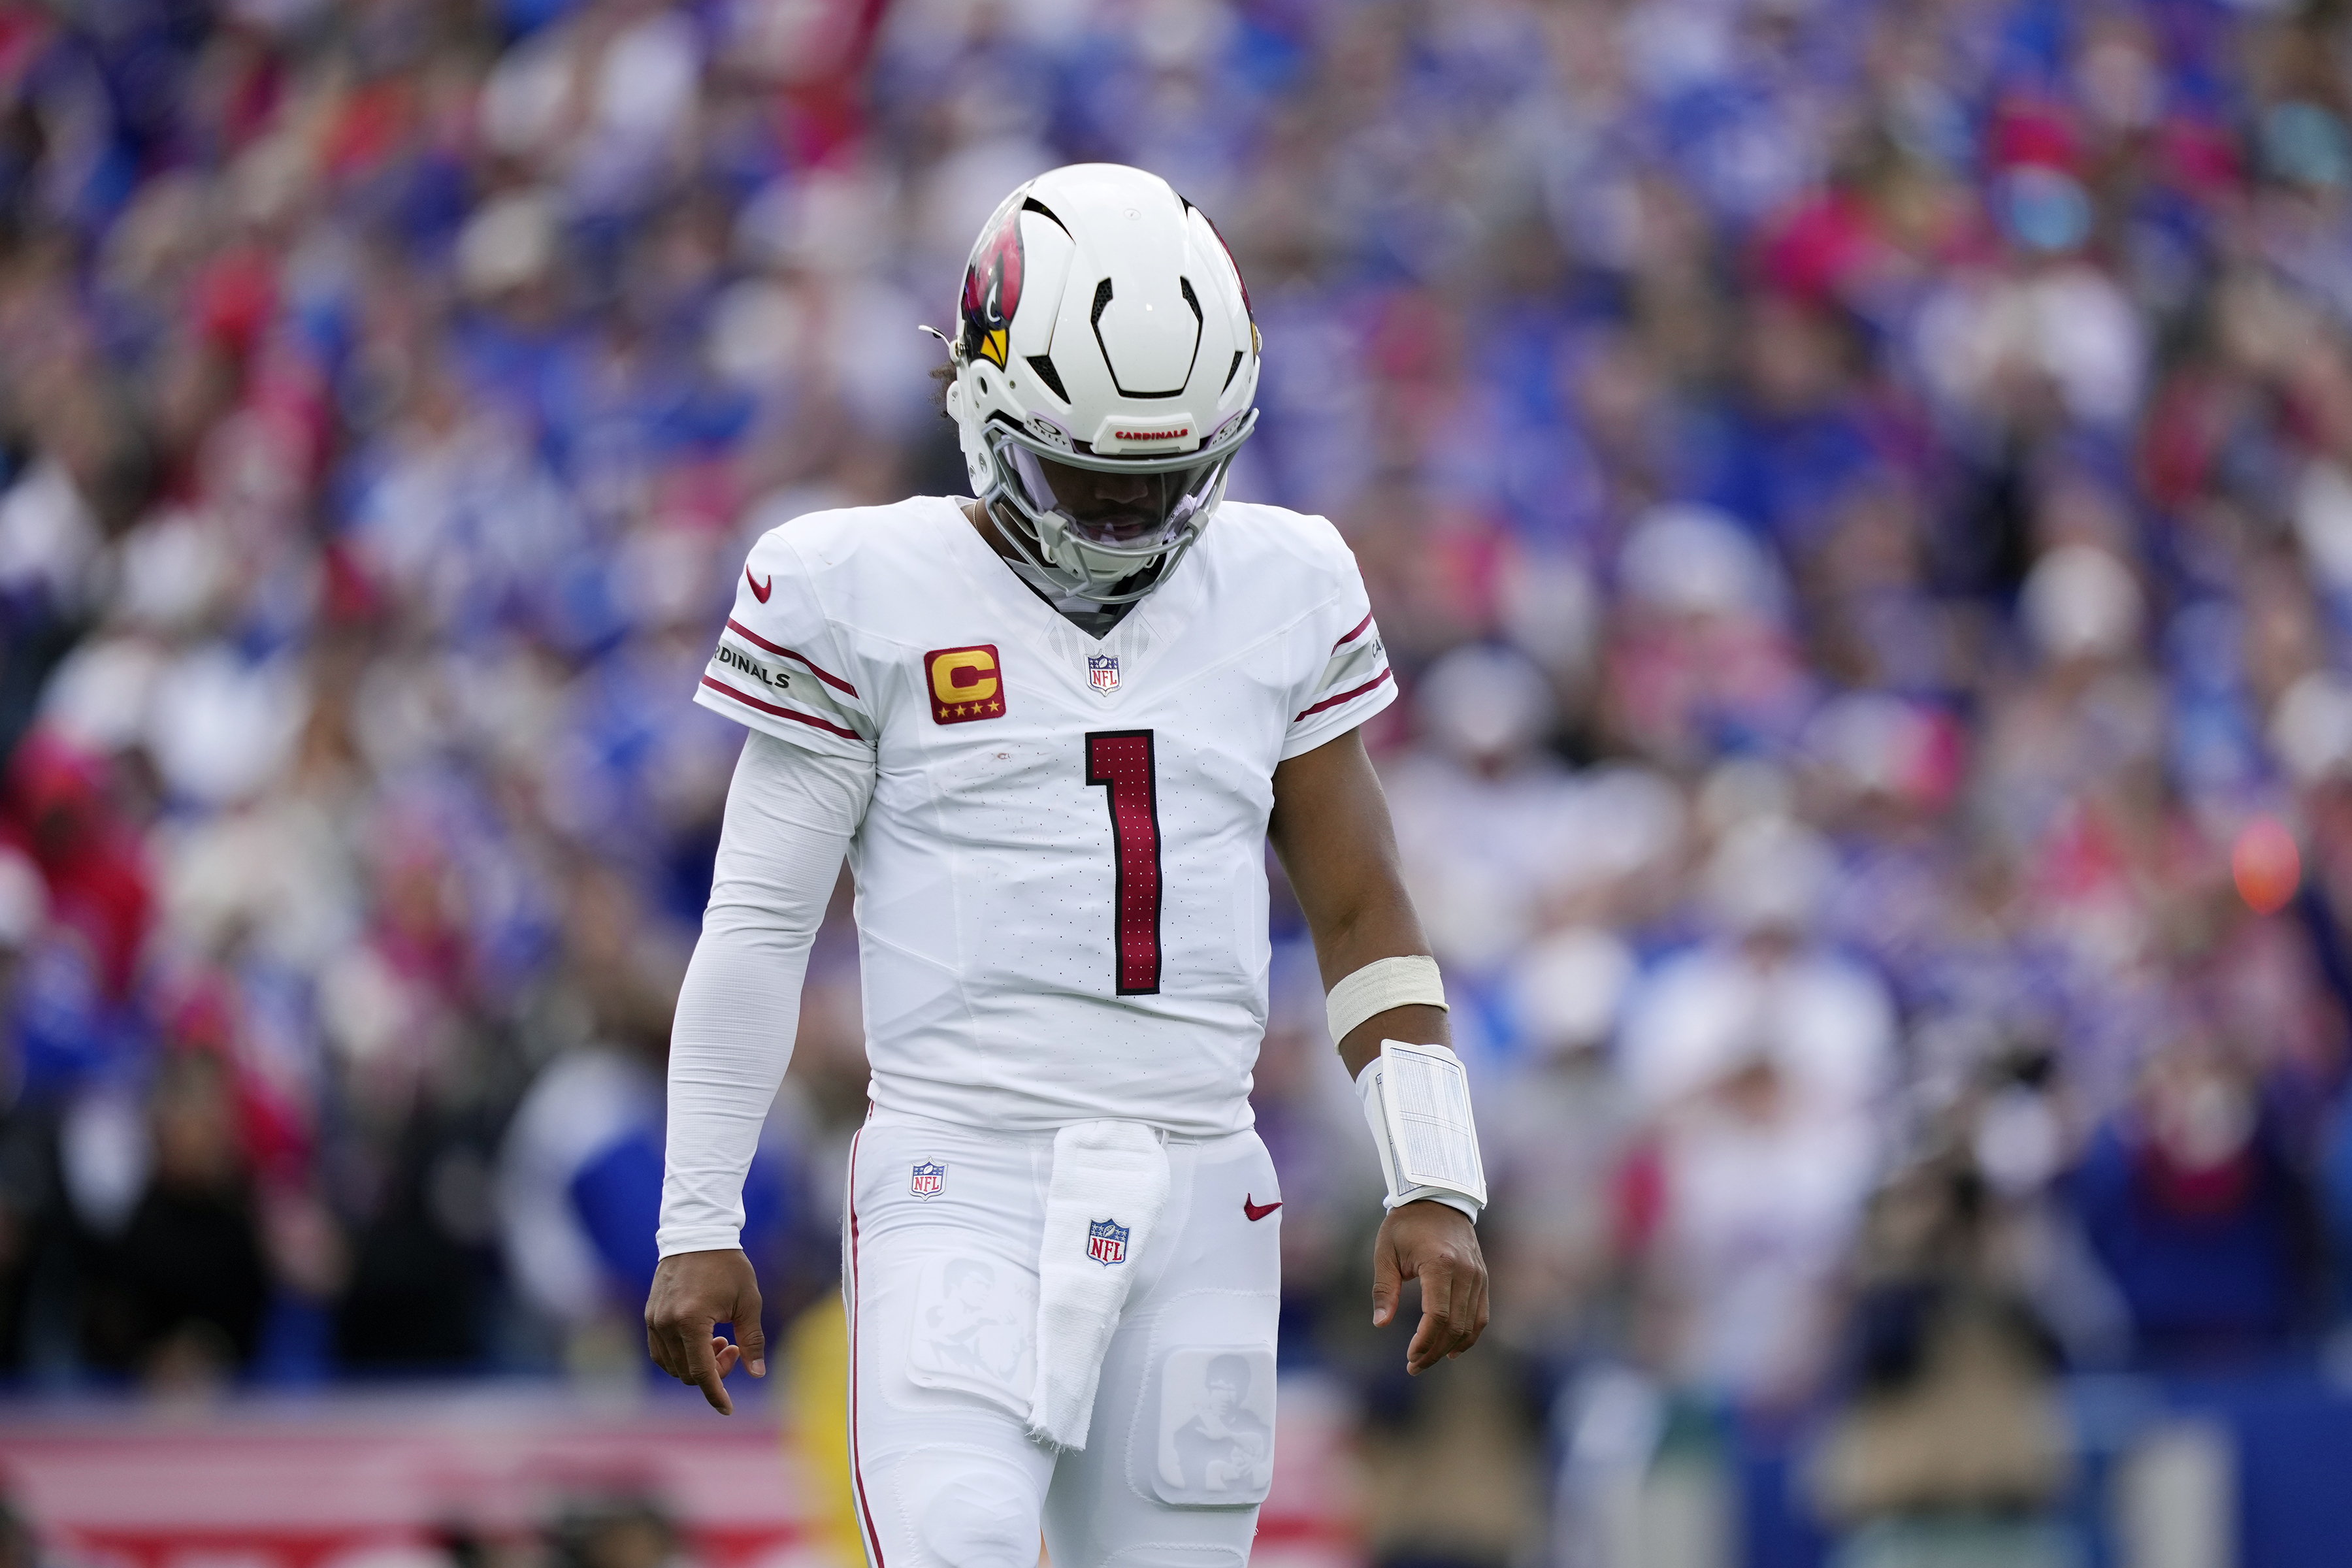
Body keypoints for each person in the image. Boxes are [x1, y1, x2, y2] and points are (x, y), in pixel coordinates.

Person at [643, 164, 1490, 1568]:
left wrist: (1433, 1174)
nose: (1120, 521)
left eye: (1160, 484)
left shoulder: (1282, 582)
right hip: (959, 1172)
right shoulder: (859, 587)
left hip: (1206, 1183)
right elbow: (757, 926)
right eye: (1085, 476)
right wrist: (698, 1211)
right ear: (978, 406)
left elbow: (1358, 905)